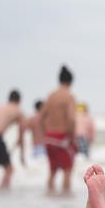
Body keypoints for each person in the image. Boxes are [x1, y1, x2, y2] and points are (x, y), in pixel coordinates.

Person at [40, 65, 78, 193]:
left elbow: (41, 117)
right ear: (71, 81)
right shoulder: (69, 96)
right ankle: (65, 204)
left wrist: (45, 133)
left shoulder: (51, 96)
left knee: (52, 171)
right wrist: (73, 139)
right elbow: (71, 119)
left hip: (49, 137)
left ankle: (50, 198)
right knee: (67, 171)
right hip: (62, 138)